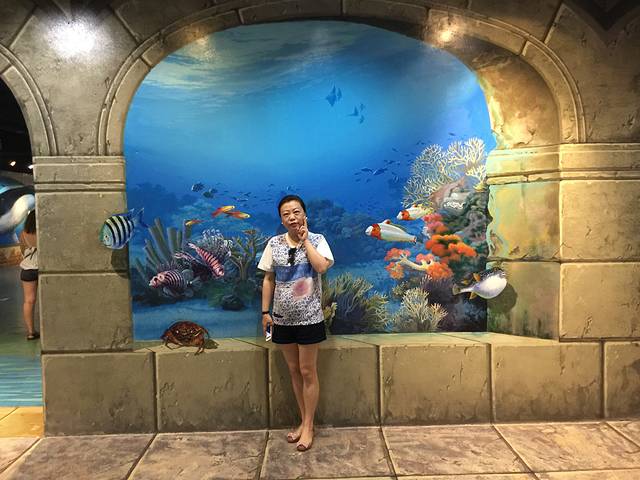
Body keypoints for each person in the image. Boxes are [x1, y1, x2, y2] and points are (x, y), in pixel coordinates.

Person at [258, 195, 334, 452]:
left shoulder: (318, 240)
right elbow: (268, 279)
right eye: (286, 214)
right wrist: (265, 312)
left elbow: (321, 267)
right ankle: (303, 421)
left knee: (308, 371)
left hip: (310, 318)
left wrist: (305, 241)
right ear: (281, 219)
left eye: (296, 212)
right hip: (281, 319)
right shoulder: (274, 243)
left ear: (304, 214)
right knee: (293, 371)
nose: (292, 217)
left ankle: (309, 426)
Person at [18, 210, 39, 340]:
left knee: (28, 301)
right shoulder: (44, 232)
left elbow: (22, 250)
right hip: (43, 267)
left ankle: (31, 332)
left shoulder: (23, 233)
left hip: (27, 269)